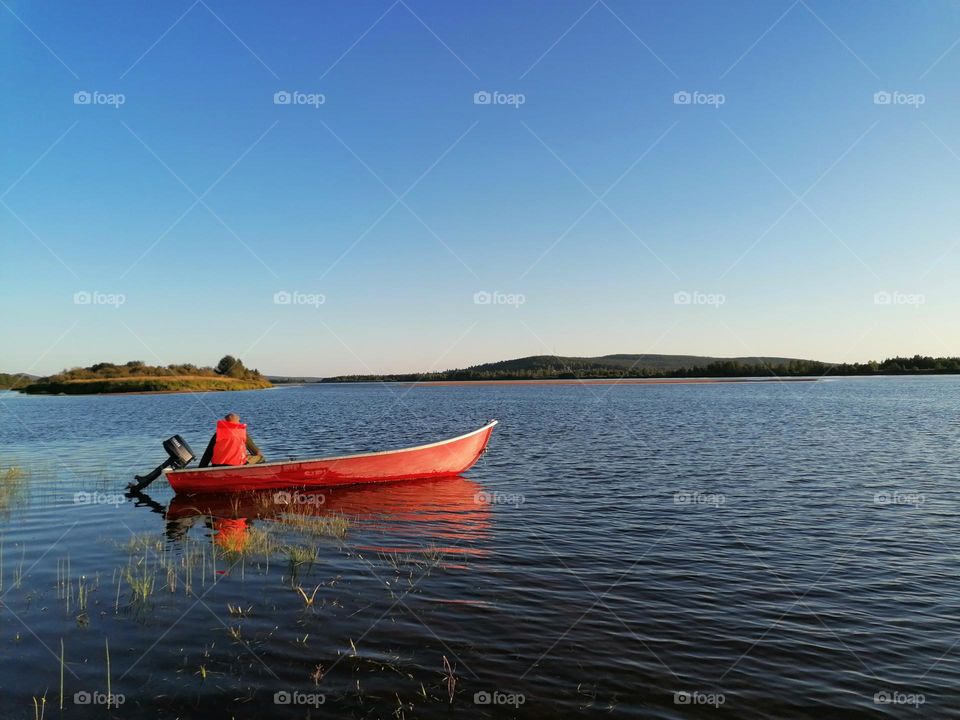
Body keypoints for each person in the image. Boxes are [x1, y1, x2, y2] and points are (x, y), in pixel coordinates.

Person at [198, 413, 265, 467]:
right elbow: (257, 452)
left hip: (217, 465)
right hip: (237, 464)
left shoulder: (218, 434)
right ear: (237, 422)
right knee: (260, 457)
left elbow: (208, 454)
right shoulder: (242, 433)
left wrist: (201, 468)